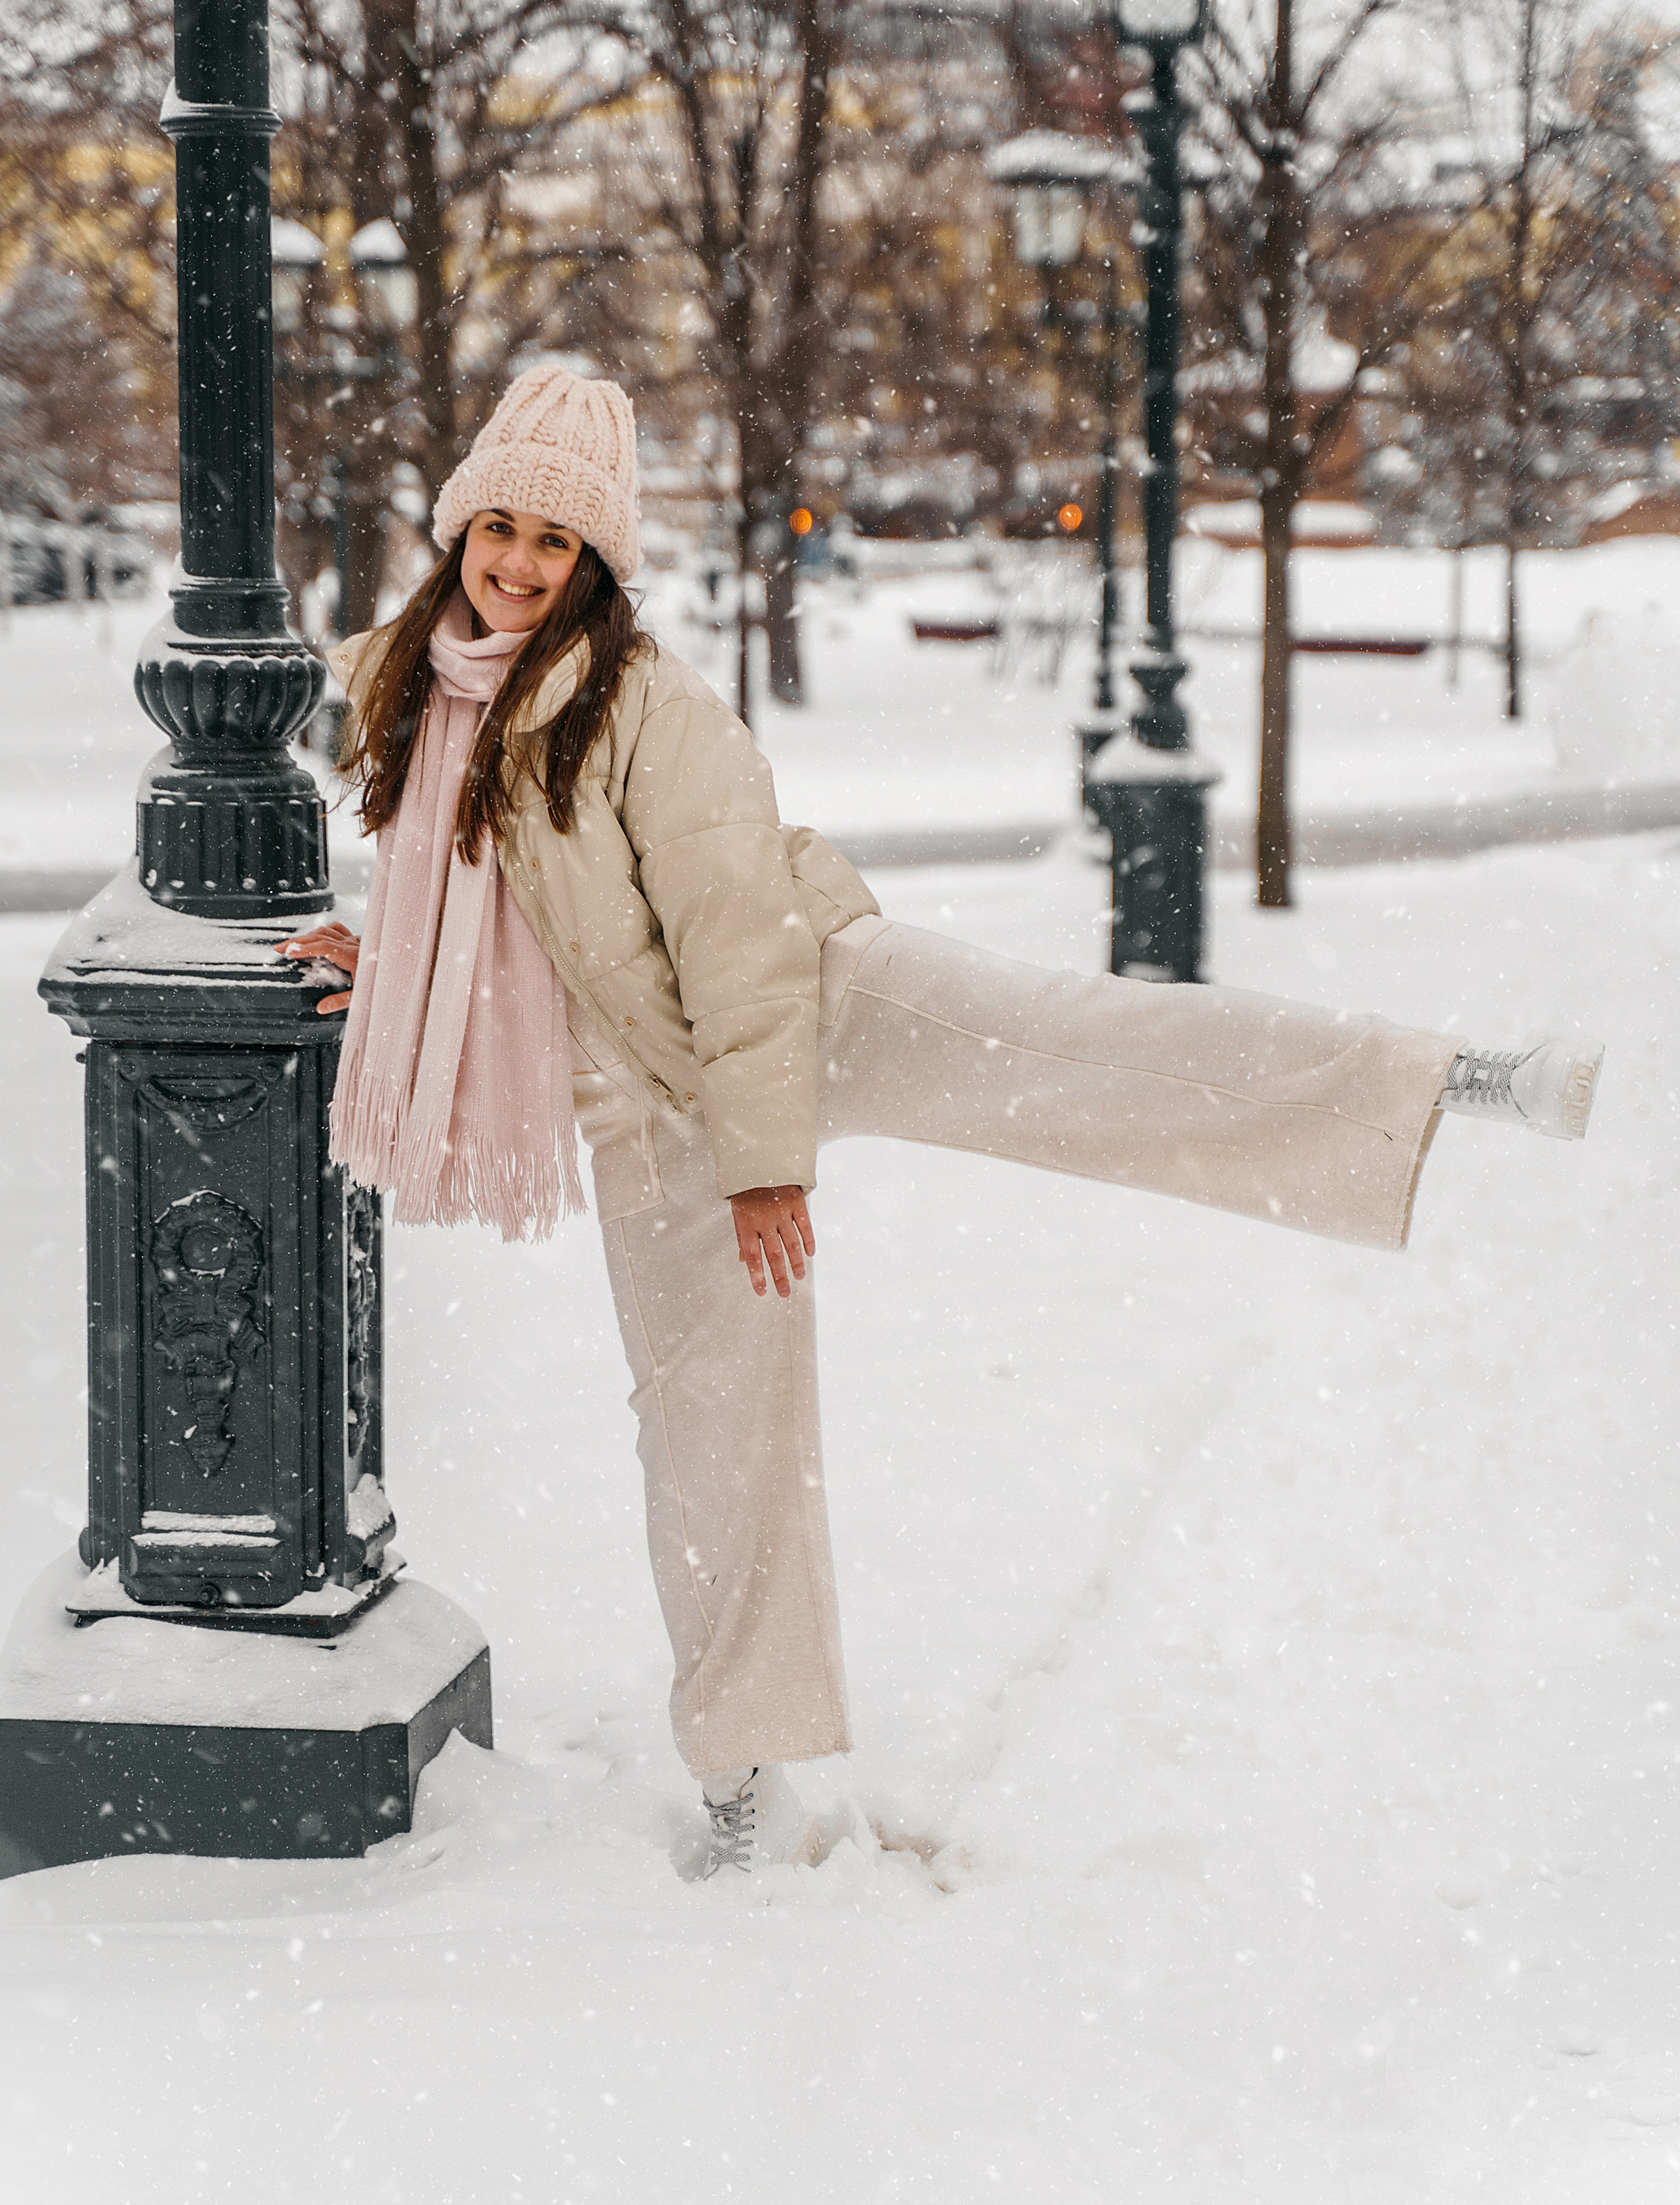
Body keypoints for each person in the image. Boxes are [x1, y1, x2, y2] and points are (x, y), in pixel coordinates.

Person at [278, 363, 1603, 1883]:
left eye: (554, 544)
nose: (516, 564)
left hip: (812, 1008)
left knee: (1096, 1051)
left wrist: (767, 1163)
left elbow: (735, 943)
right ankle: (740, 1786)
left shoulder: (643, 704)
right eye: (498, 528)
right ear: (459, 530)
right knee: (703, 1448)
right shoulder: (419, 692)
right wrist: (384, 964)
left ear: (597, 566)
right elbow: (507, 928)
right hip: (647, 1106)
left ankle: (1441, 1081)